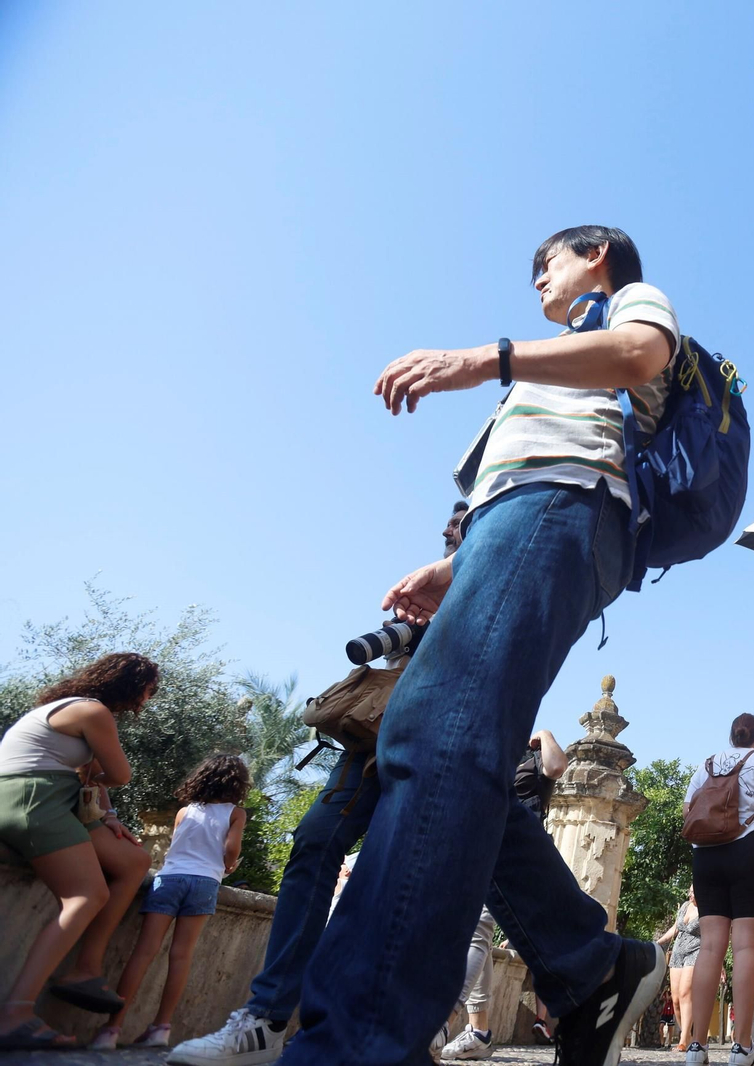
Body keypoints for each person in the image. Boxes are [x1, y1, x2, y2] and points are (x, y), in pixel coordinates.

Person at [272, 226, 680, 1066]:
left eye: (549, 262)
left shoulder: (625, 304)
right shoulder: (567, 345)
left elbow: (640, 356)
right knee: (457, 756)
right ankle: (587, 965)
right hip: (522, 521)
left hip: (557, 509)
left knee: (432, 739)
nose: (538, 277)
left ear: (596, 252)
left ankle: (355, 1040)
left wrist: (484, 359)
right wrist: (458, 564)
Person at [169, 501, 468, 1065]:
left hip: (447, 745)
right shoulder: (427, 588)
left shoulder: (498, 574)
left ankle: (389, 1030)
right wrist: (408, 630)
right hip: (373, 742)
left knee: (415, 876)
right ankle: (267, 1018)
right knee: (315, 842)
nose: (452, 534)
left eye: (463, 526)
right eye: (450, 528)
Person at [0, 652, 160, 1051]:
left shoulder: (69, 709)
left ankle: (86, 968)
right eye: (148, 691)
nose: (146, 700)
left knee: (133, 861)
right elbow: (120, 774)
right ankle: (14, 1014)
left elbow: (87, 776)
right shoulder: (93, 711)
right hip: (32, 798)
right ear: (130, 683)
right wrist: (99, 784)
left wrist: (108, 816)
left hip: (48, 796)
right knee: (86, 895)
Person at [92, 754, 250, 1049]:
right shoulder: (235, 814)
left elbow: (176, 846)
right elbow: (231, 849)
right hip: (204, 882)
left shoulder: (185, 811)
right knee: (180, 956)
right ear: (237, 784)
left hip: (170, 879)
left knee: (143, 952)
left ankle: (110, 1030)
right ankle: (160, 1028)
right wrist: (229, 866)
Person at [438, 729, 569, 1061]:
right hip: (476, 845)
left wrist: (545, 734)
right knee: (473, 930)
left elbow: (557, 768)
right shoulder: (491, 754)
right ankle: (479, 1030)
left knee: (478, 926)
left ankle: (442, 1020)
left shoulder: (536, 756)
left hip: (514, 848)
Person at [682, 713, 754, 1066]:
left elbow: (688, 809)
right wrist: (752, 818)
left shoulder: (707, 763)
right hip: (747, 852)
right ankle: (742, 1049)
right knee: (744, 947)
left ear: (731, 737)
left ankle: (696, 1047)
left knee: (709, 948)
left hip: (706, 857)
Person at [660, 890, 701, 1052]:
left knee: (685, 993)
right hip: (677, 952)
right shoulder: (685, 905)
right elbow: (675, 928)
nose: (691, 895)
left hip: (696, 950)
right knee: (675, 998)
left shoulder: (707, 908)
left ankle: (683, 1040)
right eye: (690, 892)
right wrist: (658, 942)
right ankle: (687, 1036)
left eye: (694, 892)